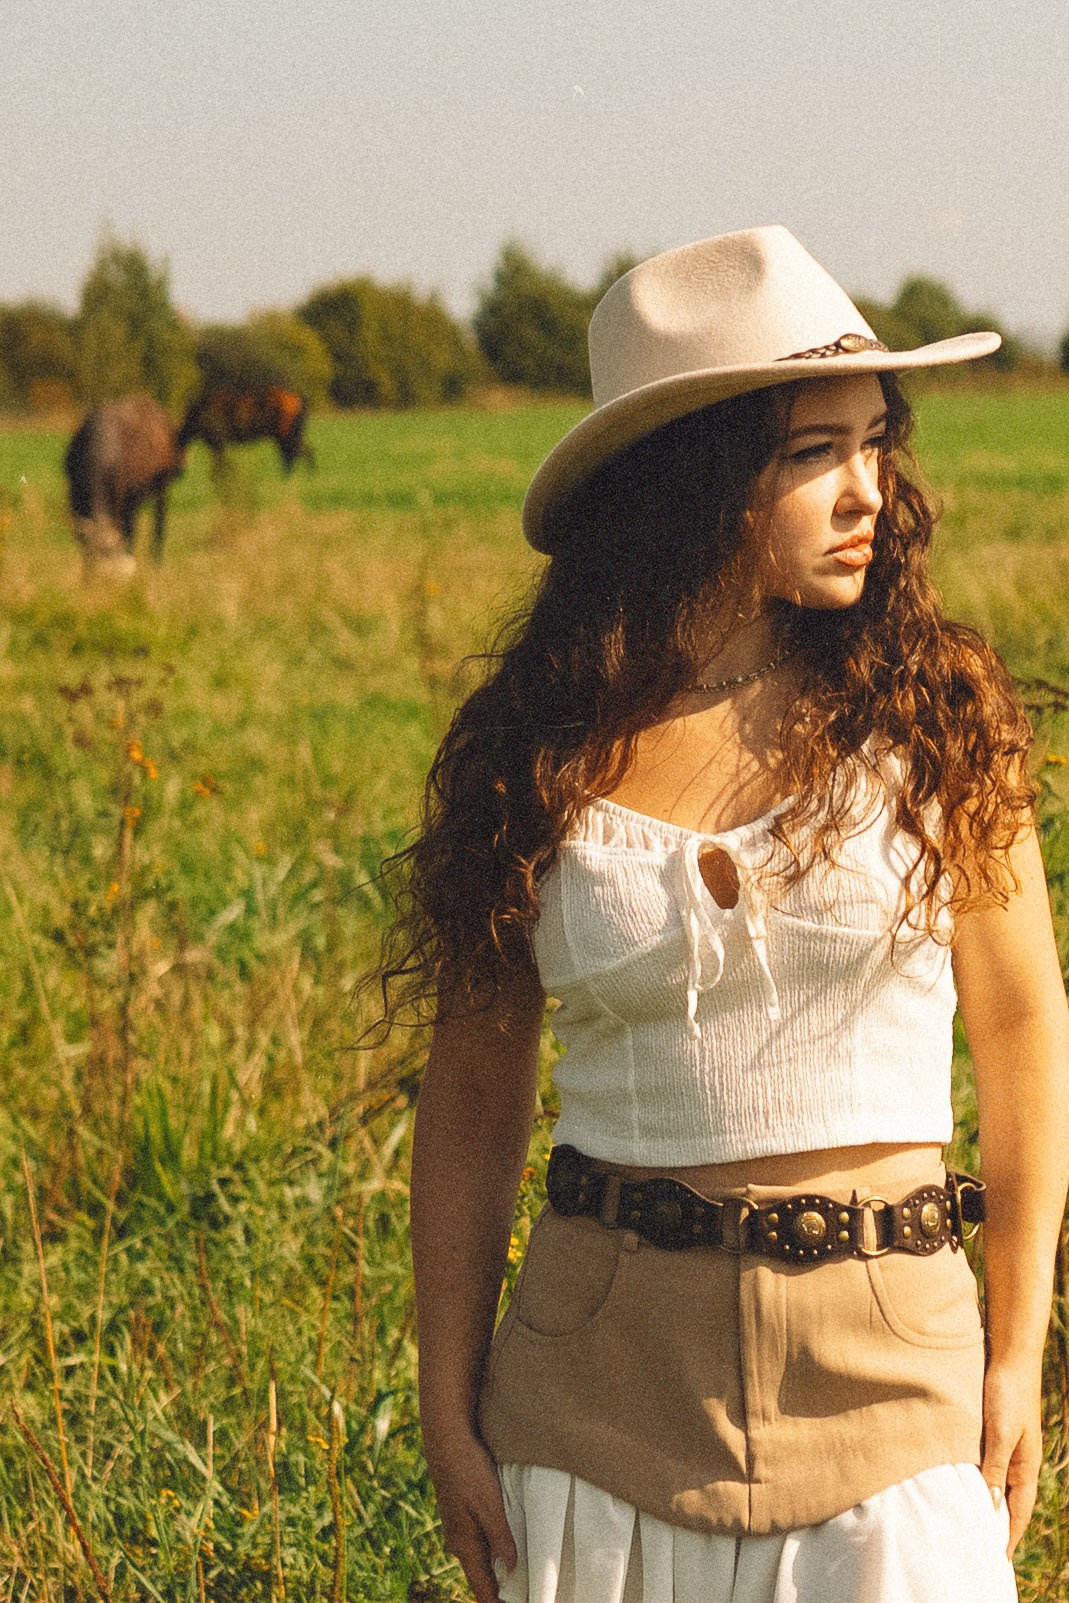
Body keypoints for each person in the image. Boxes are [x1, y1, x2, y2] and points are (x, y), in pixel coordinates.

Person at [392, 226, 1069, 1603]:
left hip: (894, 1386)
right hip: (592, 1405)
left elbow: (1018, 1023)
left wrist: (1014, 1351)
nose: (866, 490)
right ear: (689, 481)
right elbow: (472, 1086)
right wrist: (444, 1396)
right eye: (811, 452)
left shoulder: (937, 712)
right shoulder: (540, 743)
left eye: (874, 442)